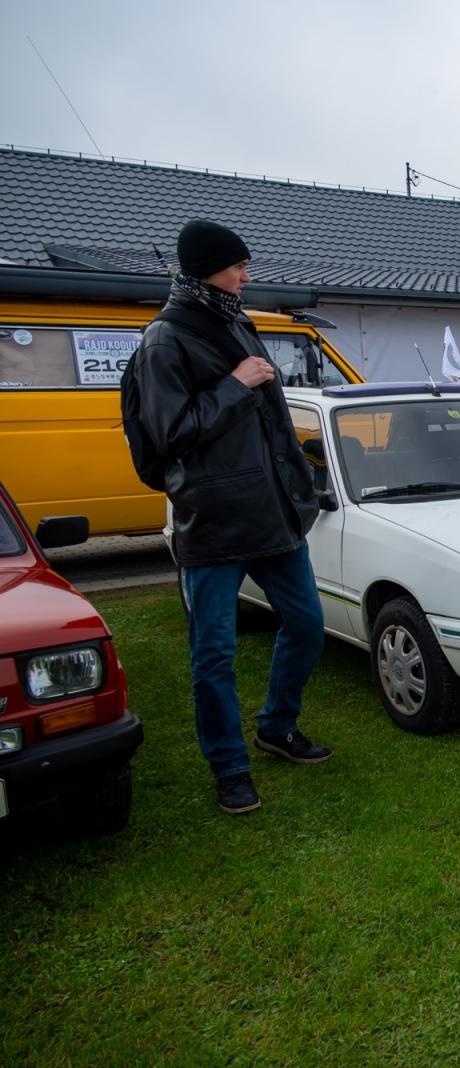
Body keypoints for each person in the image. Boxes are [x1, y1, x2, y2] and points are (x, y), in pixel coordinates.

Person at [122, 219, 329, 814]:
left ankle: (277, 727)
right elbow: (171, 433)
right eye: (238, 266)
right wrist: (236, 384)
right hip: (211, 523)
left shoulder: (237, 321)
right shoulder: (164, 340)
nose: (246, 275)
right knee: (213, 656)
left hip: (273, 515)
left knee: (307, 628)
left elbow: (274, 423)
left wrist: (300, 483)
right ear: (207, 270)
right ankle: (230, 767)